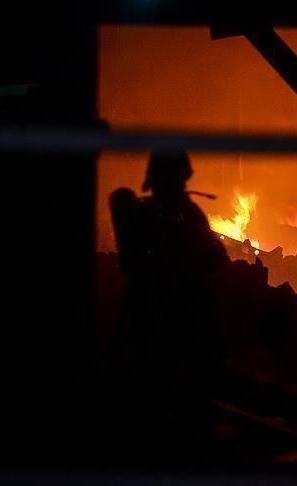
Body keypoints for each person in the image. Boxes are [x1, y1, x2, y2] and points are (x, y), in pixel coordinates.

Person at [110, 151, 227, 450]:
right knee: (173, 370)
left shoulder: (149, 213)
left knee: (161, 373)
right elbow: (201, 256)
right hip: (171, 308)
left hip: (158, 308)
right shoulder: (177, 215)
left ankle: (163, 429)